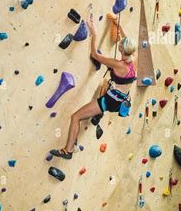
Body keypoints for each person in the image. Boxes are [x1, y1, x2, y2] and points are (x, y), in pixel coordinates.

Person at [50, 14, 137, 160]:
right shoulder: (133, 59)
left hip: (110, 101)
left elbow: (95, 54)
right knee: (85, 112)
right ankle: (81, 131)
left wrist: (94, 33)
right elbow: (126, 40)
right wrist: (118, 25)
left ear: (121, 50)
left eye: (120, 45)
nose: (119, 43)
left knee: (75, 117)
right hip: (119, 99)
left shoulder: (119, 65)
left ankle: (68, 150)